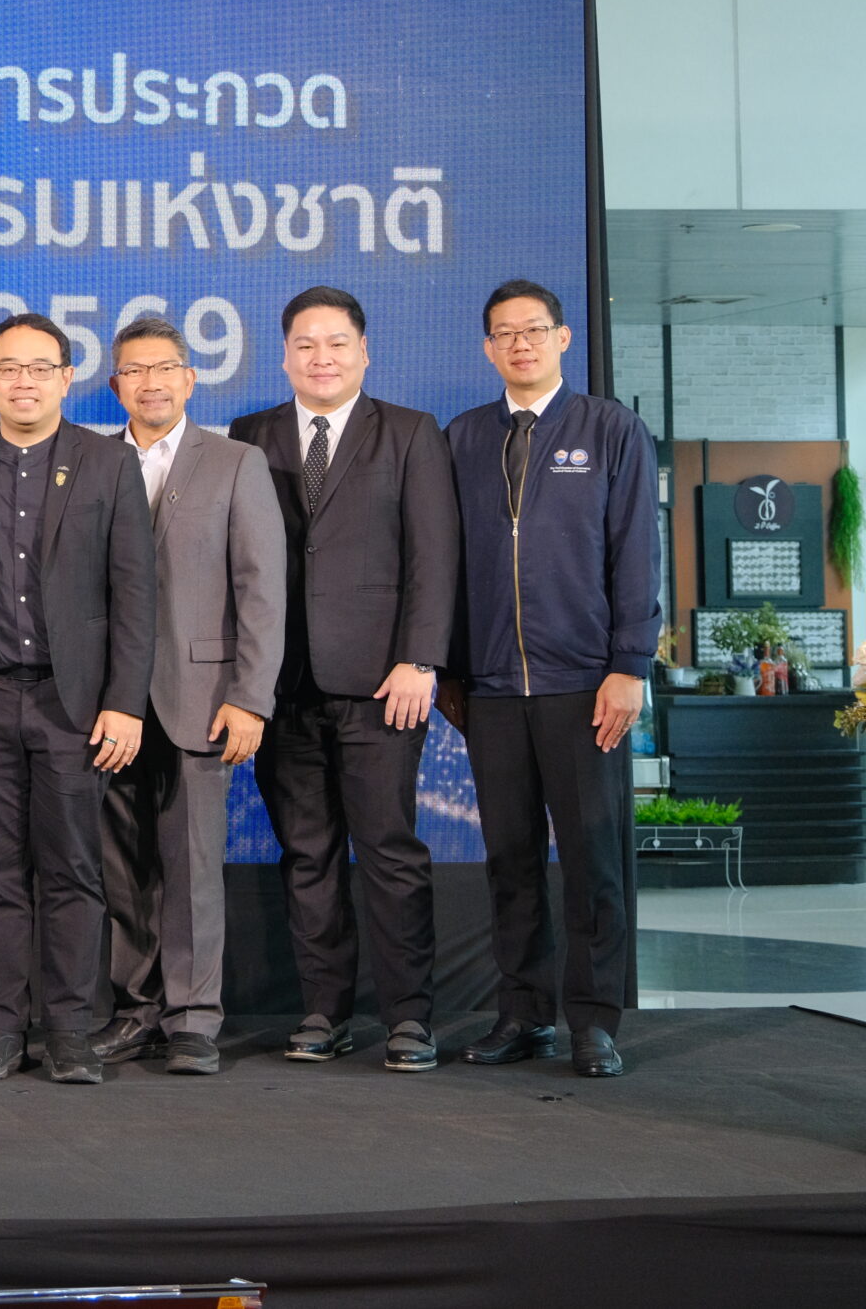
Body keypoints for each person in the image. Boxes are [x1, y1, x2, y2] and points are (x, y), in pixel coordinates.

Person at [228, 287, 459, 1074]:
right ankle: (324, 1010)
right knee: (308, 854)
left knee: (389, 851)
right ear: (284, 355)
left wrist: (420, 658)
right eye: (305, 344)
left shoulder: (410, 431)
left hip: (382, 684)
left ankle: (409, 1016)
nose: (320, 358)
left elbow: (435, 554)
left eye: (335, 343)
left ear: (364, 351)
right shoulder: (251, 435)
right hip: (281, 685)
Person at [0, 312, 157, 1085]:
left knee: (74, 870)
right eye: (7, 367)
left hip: (76, 703)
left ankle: (69, 1030)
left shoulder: (108, 461)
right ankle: (0, 1027)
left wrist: (126, 701)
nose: (22, 381)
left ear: (66, 376)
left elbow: (135, 590)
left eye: (39, 367)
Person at [441, 280, 656, 1080]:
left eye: (534, 329)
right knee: (511, 857)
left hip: (584, 684)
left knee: (594, 858)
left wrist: (629, 665)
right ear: (488, 348)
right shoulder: (464, 437)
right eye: (505, 333)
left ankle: (593, 1020)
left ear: (563, 338)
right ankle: (524, 1013)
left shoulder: (610, 429)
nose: (520, 343)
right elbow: (443, 559)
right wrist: (450, 665)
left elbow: (636, 554)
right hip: (492, 687)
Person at [89, 317, 285, 1077]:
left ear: (190, 378)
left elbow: (261, 589)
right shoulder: (92, 461)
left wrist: (252, 696)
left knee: (195, 867)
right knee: (120, 869)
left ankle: (194, 1019)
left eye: (165, 368)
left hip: (202, 698)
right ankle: (136, 1010)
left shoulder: (236, 462)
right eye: (135, 371)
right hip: (109, 701)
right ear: (116, 385)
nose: (151, 383)